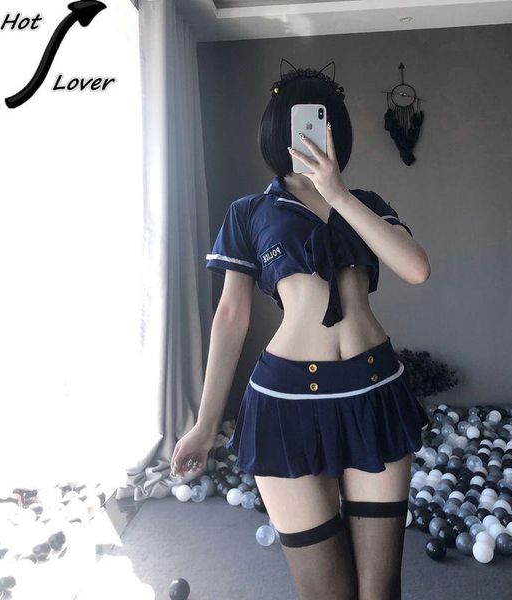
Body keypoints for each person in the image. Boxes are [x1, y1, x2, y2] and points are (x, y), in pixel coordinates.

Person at [171, 62, 431, 600]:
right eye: (299, 123)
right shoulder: (249, 213)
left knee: (379, 591)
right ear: (277, 132)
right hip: (286, 405)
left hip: (374, 394)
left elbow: (416, 269)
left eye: (323, 121)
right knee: (326, 594)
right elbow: (231, 317)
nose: (313, 133)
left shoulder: (367, 203)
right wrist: (204, 424)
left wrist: (337, 193)